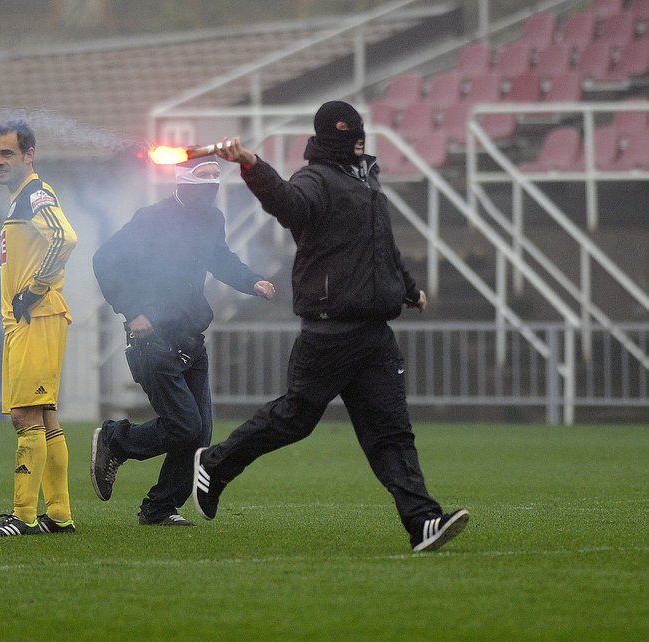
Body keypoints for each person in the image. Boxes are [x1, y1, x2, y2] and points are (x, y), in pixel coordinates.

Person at [192, 101, 469, 552]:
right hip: (330, 330)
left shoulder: (367, 181)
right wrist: (252, 165)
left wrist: (407, 289)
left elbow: (382, 248)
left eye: (357, 131)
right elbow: (288, 204)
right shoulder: (314, 179)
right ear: (328, 137)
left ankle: (423, 523)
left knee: (392, 433)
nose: (356, 138)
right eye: (346, 132)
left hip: (374, 332)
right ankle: (217, 463)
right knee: (293, 420)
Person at [90, 156, 276, 526]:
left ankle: (160, 507)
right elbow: (105, 259)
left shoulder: (212, 220)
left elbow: (221, 260)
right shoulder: (151, 218)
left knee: (199, 432)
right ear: (183, 180)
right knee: (186, 426)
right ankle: (116, 440)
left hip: (192, 338)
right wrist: (131, 309)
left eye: (215, 176)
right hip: (153, 340)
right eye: (203, 176)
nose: (212, 182)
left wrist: (252, 281)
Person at [0, 120, 79, 537]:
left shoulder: (34, 193)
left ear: (29, 155)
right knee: (45, 416)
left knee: (24, 415)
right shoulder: (21, 198)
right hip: (33, 319)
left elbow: (64, 237)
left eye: (7, 154)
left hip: (36, 316)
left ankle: (23, 516)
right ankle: (58, 515)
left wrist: (33, 290)